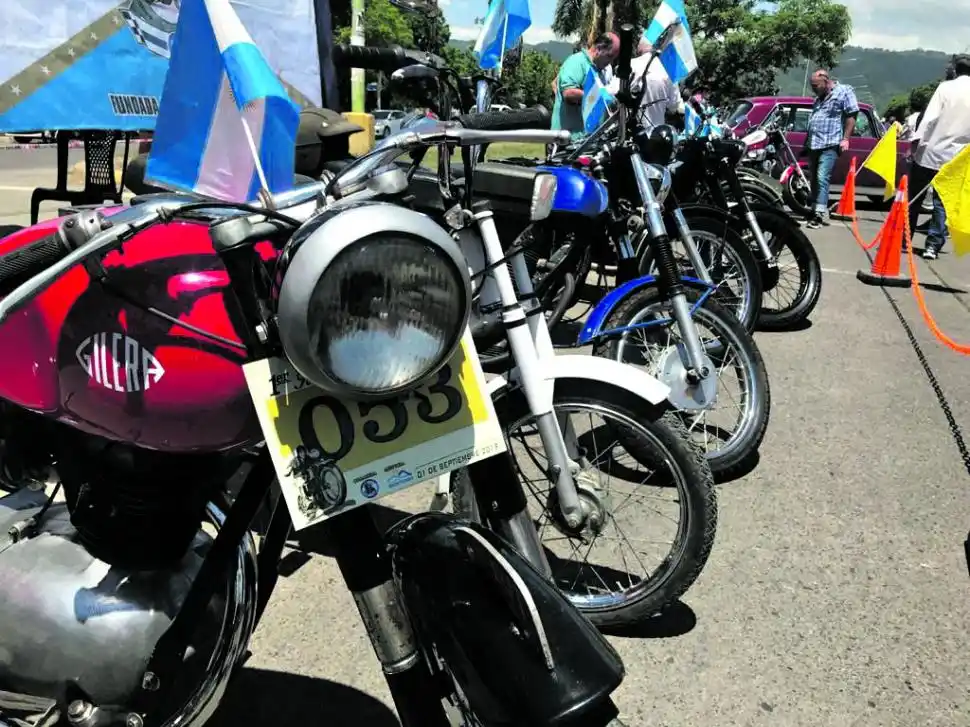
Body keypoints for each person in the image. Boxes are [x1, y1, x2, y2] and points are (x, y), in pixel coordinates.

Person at [908, 55, 970, 260]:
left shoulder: (945, 88)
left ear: (955, 70)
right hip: (957, 159)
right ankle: (932, 246)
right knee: (942, 203)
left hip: (930, 153)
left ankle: (903, 237)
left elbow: (929, 118)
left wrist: (914, 144)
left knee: (914, 197)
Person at [803, 69, 859, 229]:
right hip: (814, 143)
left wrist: (846, 139)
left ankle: (820, 214)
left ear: (826, 81)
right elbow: (814, 119)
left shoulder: (844, 92)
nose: (814, 89)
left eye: (816, 86)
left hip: (831, 142)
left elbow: (851, 115)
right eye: (812, 86)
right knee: (813, 177)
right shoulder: (818, 99)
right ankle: (814, 207)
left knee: (822, 177)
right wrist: (806, 143)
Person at [551, 33, 620, 138]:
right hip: (567, 141)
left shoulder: (600, 70)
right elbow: (568, 93)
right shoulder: (577, 62)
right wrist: (598, 95)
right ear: (598, 49)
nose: (610, 62)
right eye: (609, 56)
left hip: (587, 141)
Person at [619, 38, 684, 130]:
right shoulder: (669, 72)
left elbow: (611, 94)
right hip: (654, 135)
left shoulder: (630, 65)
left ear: (640, 47)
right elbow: (673, 106)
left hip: (627, 132)